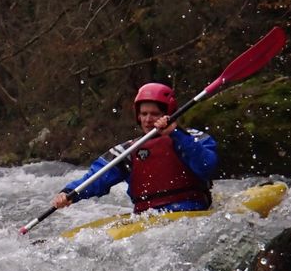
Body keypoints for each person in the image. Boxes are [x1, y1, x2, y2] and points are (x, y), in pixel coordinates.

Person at [52, 83, 218, 214]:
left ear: (168, 114)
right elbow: (97, 177)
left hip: (192, 213)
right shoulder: (128, 151)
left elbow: (207, 167)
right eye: (143, 114)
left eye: (154, 114)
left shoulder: (193, 138)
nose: (147, 119)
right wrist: (69, 193)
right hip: (148, 219)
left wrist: (177, 133)